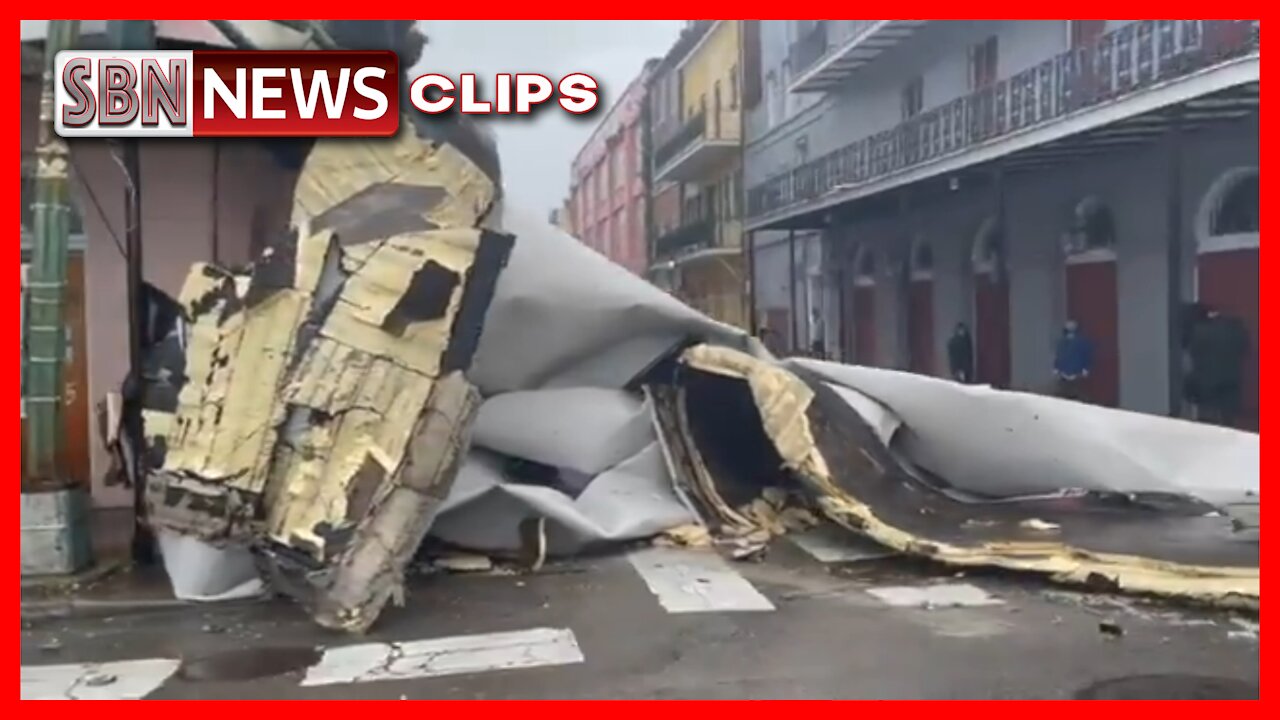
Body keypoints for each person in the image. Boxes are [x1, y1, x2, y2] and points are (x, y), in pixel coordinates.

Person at [1187, 306, 1249, 427]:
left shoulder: (1199, 330)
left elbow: (1194, 353)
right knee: (1228, 415)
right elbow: (1245, 349)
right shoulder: (1235, 328)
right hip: (1231, 376)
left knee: (1207, 415)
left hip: (1207, 379)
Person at [1053, 319, 1094, 401]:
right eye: (1068, 326)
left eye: (1072, 326)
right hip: (1063, 373)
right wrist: (1056, 367)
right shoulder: (1062, 342)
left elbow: (1086, 355)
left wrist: (1086, 368)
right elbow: (1058, 355)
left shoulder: (1082, 342)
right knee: (1063, 394)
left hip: (1077, 373)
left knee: (1076, 395)